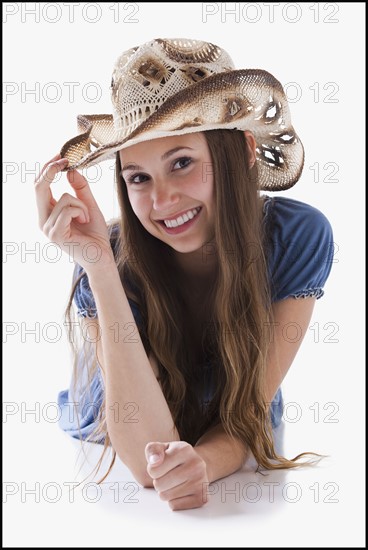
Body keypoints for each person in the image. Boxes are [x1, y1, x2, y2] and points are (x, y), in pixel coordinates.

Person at [35, 38, 334, 511]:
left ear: (244, 151)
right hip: (124, 402)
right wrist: (98, 267)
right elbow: (146, 457)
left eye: (182, 163)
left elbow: (249, 412)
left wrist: (204, 463)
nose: (162, 201)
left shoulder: (294, 235)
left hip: (230, 408)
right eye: (138, 178)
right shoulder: (114, 257)